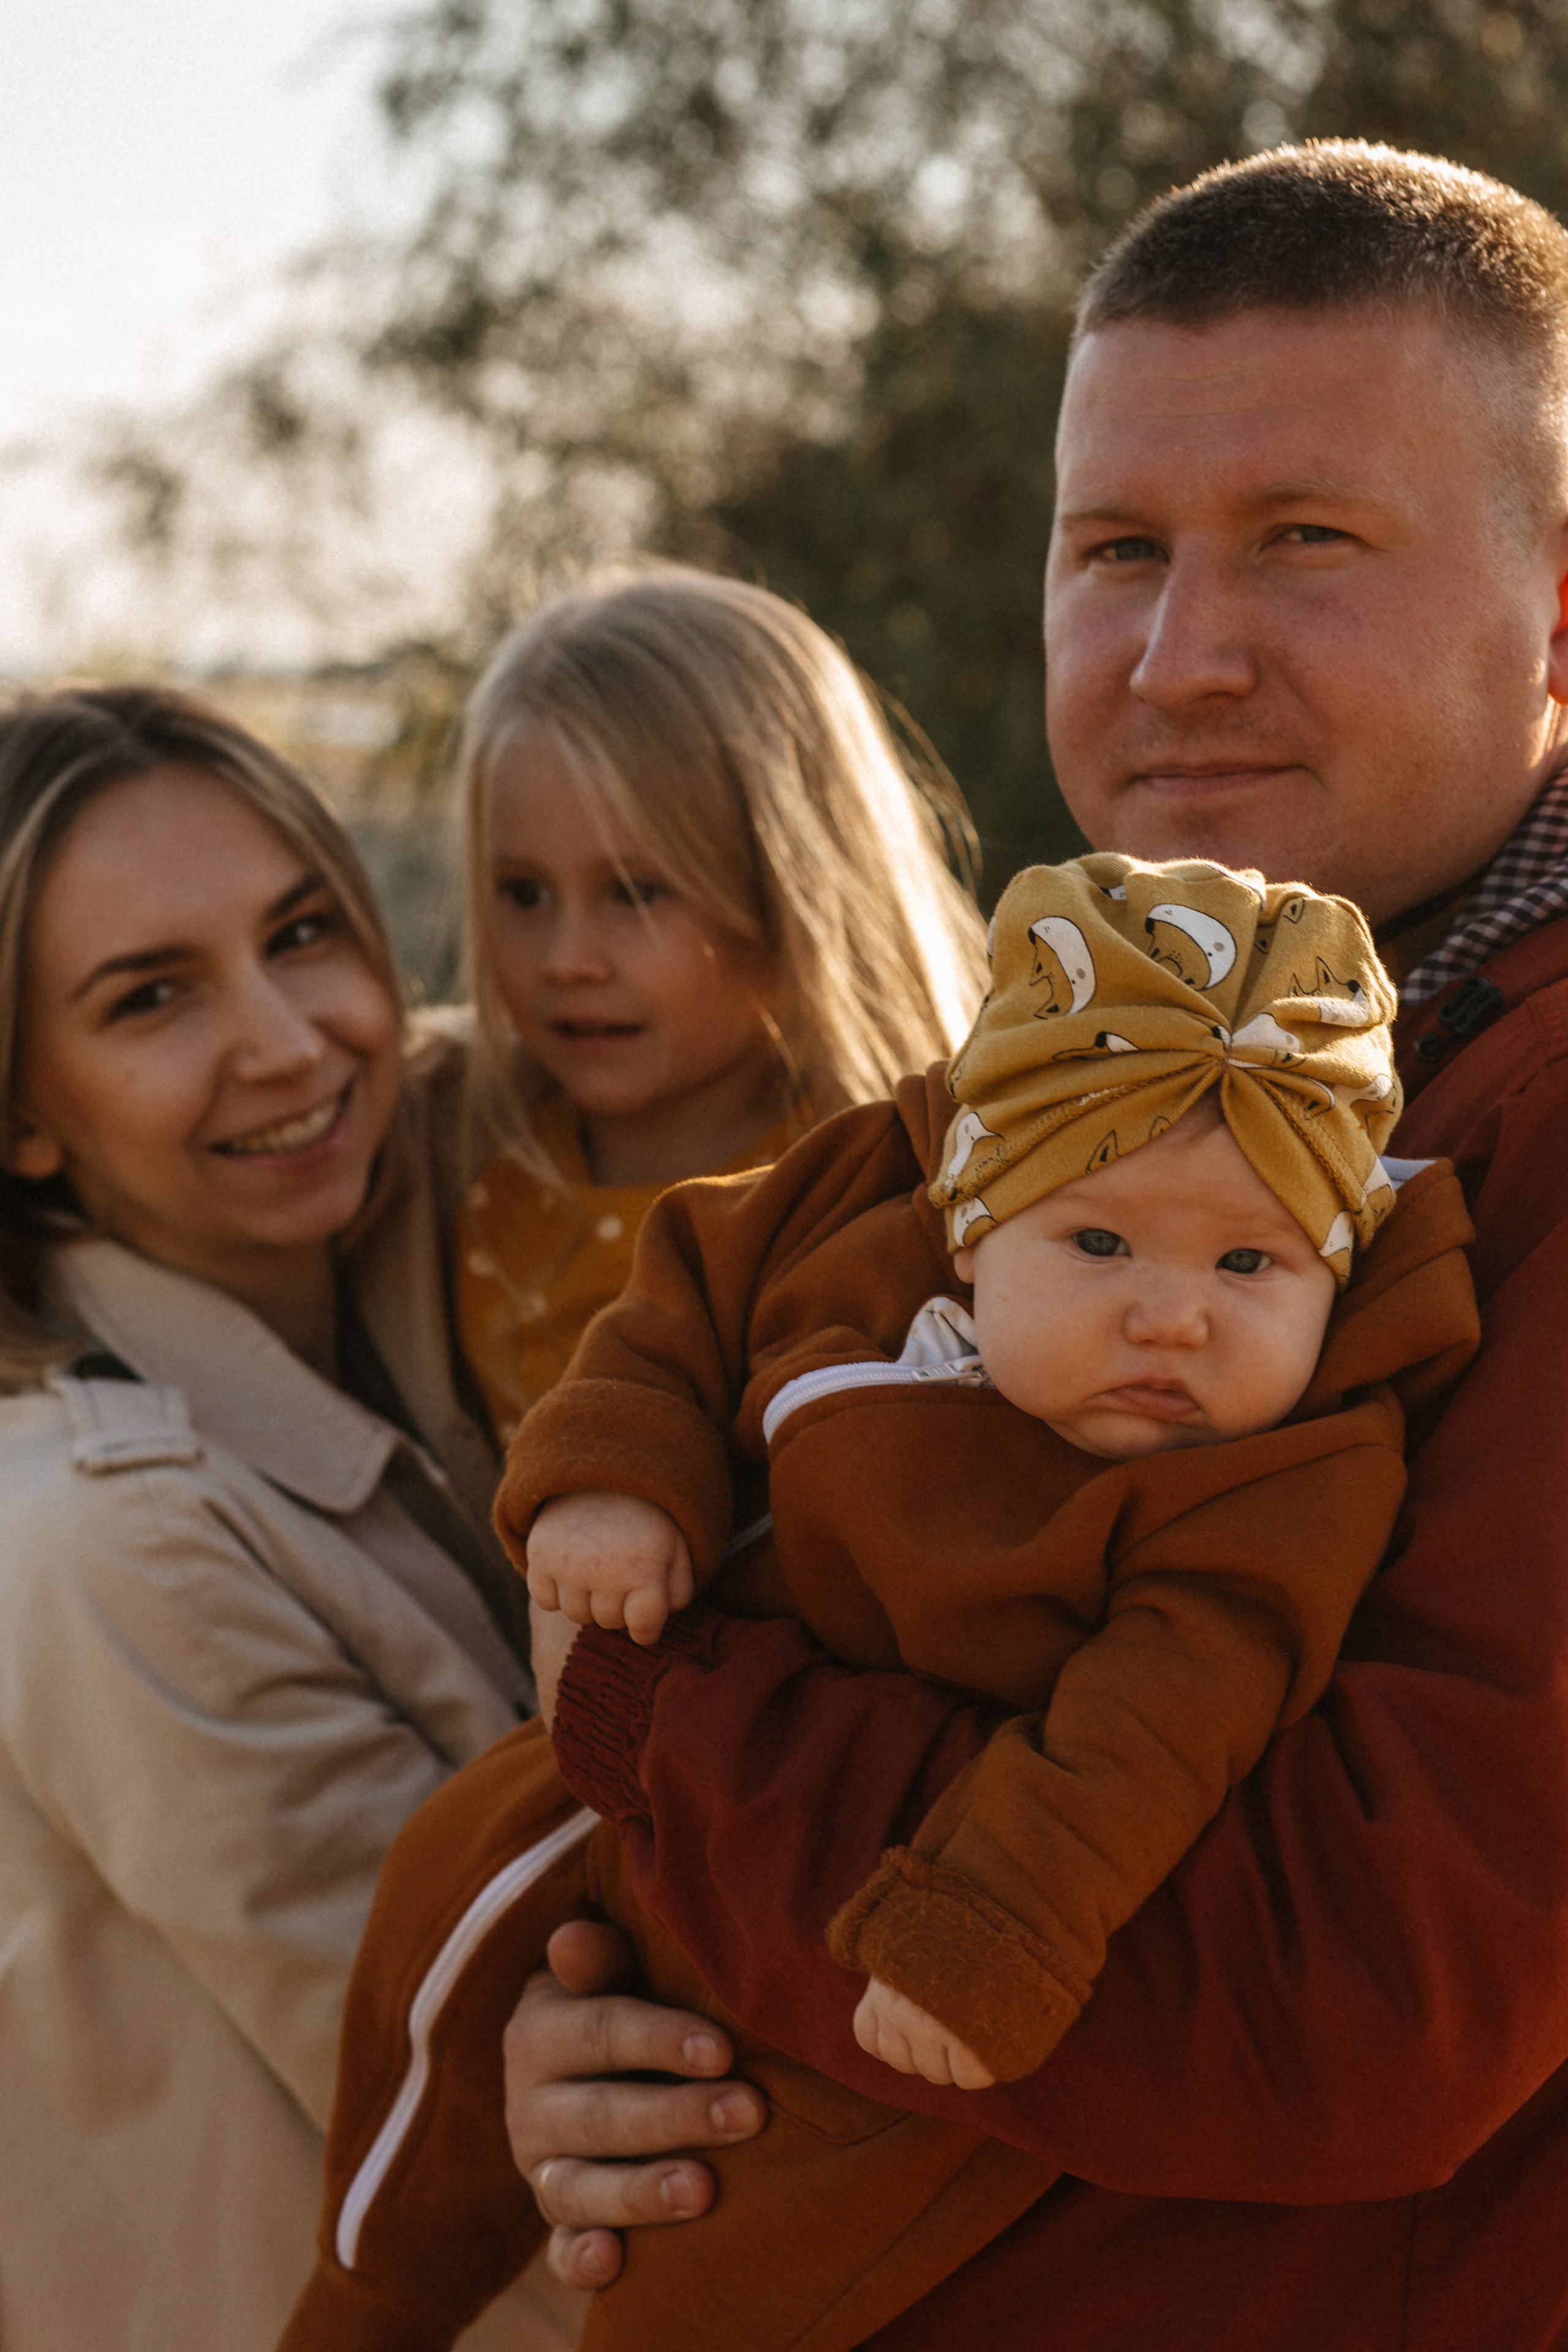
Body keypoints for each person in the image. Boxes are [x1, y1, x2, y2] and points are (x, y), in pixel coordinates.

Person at [498, 141, 1568, 2352]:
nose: (1179, 659)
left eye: (1306, 541)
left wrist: (653, 1737)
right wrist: (635, 2014)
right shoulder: (1062, 1053)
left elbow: (1343, 1997)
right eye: (1112, 551)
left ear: (1559, 604)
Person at [281, 854, 1477, 2351]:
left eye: (1251, 1264)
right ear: (973, 1225)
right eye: (1096, 1243)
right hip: (650, 1734)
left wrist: (987, 1927)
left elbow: (1162, 1716)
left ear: (1334, 1273)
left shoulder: (1275, 1474)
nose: (1170, 1313)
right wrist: (614, 1483)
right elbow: (686, 1294)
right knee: (446, 1914)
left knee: (740, 2237)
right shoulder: (867, 1202)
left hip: (912, 1866)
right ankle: (366, 2299)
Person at [0, 686, 573, 2352]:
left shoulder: (433, 1344)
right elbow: (494, 2140)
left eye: (302, 932)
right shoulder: (116, 1543)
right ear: (22, 1114)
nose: (286, 1037)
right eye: (153, 997)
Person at [448, 564, 989, 1444]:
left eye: (635, 891)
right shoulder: (467, 1153)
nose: (567, 960)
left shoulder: (890, 1192)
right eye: (522, 893)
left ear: (797, 884)